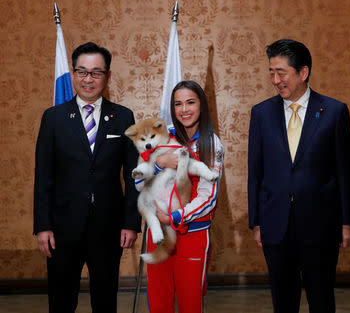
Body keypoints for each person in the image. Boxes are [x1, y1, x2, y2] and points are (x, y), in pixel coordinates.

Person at [248, 38, 350, 313]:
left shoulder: (334, 111)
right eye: (271, 72)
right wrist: (256, 222)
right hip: (275, 222)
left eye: (281, 72)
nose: (275, 79)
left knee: (321, 299)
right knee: (283, 301)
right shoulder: (261, 113)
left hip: (321, 223)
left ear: (303, 72)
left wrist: (346, 222)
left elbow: (344, 171)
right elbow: (255, 171)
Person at [33, 42, 141, 313]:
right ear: (72, 74)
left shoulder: (123, 117)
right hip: (62, 228)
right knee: (61, 299)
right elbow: (43, 176)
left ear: (108, 76)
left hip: (108, 227)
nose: (88, 79)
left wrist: (131, 223)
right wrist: (42, 226)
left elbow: (133, 175)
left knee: (105, 299)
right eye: (82, 72)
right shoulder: (54, 118)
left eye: (96, 72)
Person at [143, 80, 224, 313]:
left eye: (190, 102)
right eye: (178, 104)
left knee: (190, 302)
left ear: (201, 105)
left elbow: (209, 197)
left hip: (192, 234)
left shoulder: (212, 143)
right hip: (158, 232)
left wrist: (176, 216)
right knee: (159, 301)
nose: (184, 109)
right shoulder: (161, 135)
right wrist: (160, 163)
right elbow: (139, 179)